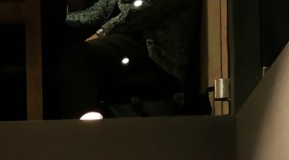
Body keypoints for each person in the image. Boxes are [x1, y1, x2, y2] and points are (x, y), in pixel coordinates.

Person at [57, 0, 202, 119]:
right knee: (67, 51)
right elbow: (99, 11)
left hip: (155, 50)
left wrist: (103, 32)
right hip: (130, 41)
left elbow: (141, 11)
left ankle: (82, 129)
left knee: (80, 54)